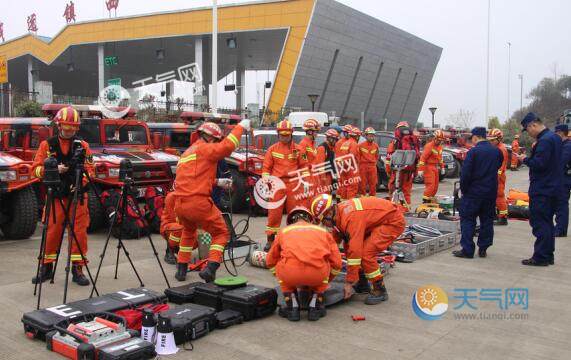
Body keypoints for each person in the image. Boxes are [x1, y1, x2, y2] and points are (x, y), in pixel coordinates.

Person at [173, 119, 249, 281]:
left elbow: (193, 178)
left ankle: (181, 269)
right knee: (221, 232)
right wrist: (240, 127)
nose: (216, 143)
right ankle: (211, 267)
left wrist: (217, 182)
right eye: (216, 140)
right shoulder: (206, 149)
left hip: (180, 203)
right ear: (211, 138)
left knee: (188, 232)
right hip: (198, 202)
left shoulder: (187, 153)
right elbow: (228, 147)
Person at [31, 106, 94, 286]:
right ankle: (46, 267)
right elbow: (34, 170)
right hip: (56, 195)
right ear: (59, 125)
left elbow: (91, 170)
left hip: (78, 197)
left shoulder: (83, 146)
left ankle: (77, 268)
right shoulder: (47, 145)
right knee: (52, 232)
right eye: (66, 127)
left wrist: (79, 182)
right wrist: (51, 169)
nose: (70, 131)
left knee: (79, 233)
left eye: (73, 127)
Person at [310, 194, 405, 305]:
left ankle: (380, 289)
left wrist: (349, 282)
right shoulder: (339, 213)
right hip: (380, 220)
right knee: (349, 247)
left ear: (329, 213)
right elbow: (334, 242)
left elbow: (355, 253)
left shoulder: (351, 217)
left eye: (323, 221)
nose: (324, 225)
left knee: (365, 254)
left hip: (392, 222)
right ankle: (362, 283)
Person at [266, 207, 342, 322]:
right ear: (310, 220)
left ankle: (292, 309)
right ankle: (315, 307)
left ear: (291, 221)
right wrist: (326, 280)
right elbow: (337, 263)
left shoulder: (284, 232)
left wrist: (278, 275)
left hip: (290, 274)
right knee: (325, 267)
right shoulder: (323, 232)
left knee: (282, 269)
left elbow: (270, 260)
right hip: (317, 275)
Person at [452, 127, 502, 259]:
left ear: (475, 137)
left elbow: (465, 174)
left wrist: (464, 189)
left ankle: (467, 250)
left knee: (468, 220)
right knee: (487, 220)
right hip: (490, 192)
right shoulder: (497, 151)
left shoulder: (473, 152)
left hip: (473, 192)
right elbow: (497, 166)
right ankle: (483, 248)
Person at [520, 113, 562, 266]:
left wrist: (524, 159)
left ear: (533, 125)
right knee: (547, 223)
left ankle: (541, 257)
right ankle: (547, 254)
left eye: (528, 129)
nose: (529, 133)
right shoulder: (555, 138)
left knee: (540, 223)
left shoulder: (544, 141)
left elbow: (539, 164)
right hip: (553, 187)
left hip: (543, 188)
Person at [262, 120, 309, 251]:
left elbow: (304, 167)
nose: (284, 137)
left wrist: (305, 181)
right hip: (276, 185)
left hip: (294, 185)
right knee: (274, 214)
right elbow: (266, 169)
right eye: (282, 135)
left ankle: (294, 240)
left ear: (291, 134)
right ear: (278, 134)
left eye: (287, 135)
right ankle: (271, 241)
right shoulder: (272, 149)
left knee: (295, 214)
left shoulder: (299, 149)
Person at [386, 121, 420, 206]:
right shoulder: (413, 141)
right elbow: (417, 158)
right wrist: (415, 172)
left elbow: (389, 158)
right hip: (409, 171)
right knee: (406, 191)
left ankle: (393, 210)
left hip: (397, 171)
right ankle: (406, 208)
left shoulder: (394, 142)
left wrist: (388, 171)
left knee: (393, 190)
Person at [487, 129, 509, 226]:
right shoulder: (497, 147)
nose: (491, 142)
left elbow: (501, 167)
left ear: (499, 139)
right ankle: (497, 215)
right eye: (490, 140)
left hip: (498, 176)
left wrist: (495, 178)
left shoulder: (501, 149)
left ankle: (503, 218)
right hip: (496, 175)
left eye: (493, 140)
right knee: (495, 196)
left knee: (499, 196)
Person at [418, 130, 446, 203]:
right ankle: (425, 201)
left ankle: (430, 200)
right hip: (428, 167)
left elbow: (440, 158)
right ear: (435, 138)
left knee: (435, 186)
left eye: (441, 140)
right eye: (439, 140)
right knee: (430, 185)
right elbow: (423, 158)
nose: (440, 142)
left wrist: (442, 167)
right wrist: (420, 169)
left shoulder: (439, 147)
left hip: (435, 167)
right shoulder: (429, 146)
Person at [298, 119, 321, 205]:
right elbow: (302, 164)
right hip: (308, 178)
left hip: (314, 177)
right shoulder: (303, 144)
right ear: (310, 132)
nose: (317, 134)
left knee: (314, 201)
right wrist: (305, 181)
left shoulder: (312, 144)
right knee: (307, 201)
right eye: (316, 132)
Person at [554, 124, 571, 237]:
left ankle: (561, 229)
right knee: (560, 204)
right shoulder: (564, 145)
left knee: (562, 204)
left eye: (556, 133)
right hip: (563, 177)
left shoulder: (567, 146)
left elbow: (561, 161)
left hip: (565, 178)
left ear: (560, 133)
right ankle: (560, 227)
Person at [336, 126, 361, 200]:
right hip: (351, 169)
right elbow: (351, 157)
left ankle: (343, 204)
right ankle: (350, 205)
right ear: (356, 136)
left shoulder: (345, 143)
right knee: (352, 188)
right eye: (358, 136)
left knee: (344, 186)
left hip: (343, 168)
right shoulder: (354, 144)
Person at [160, 191, 182, 265]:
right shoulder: (171, 197)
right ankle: (170, 251)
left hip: (182, 224)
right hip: (168, 226)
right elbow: (174, 217)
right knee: (179, 228)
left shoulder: (191, 195)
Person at [315, 128, 339, 195]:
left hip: (329, 175)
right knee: (324, 194)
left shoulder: (332, 148)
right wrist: (323, 178)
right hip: (324, 176)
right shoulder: (322, 148)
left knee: (328, 193)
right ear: (330, 138)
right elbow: (320, 165)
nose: (336, 141)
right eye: (335, 139)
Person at [358, 127, 380, 197]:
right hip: (363, 166)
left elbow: (377, 156)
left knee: (373, 183)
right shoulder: (360, 145)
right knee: (362, 184)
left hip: (372, 166)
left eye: (372, 135)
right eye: (370, 135)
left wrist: (373, 163)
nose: (371, 137)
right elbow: (358, 157)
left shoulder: (376, 146)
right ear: (366, 135)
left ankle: (372, 198)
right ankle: (362, 197)